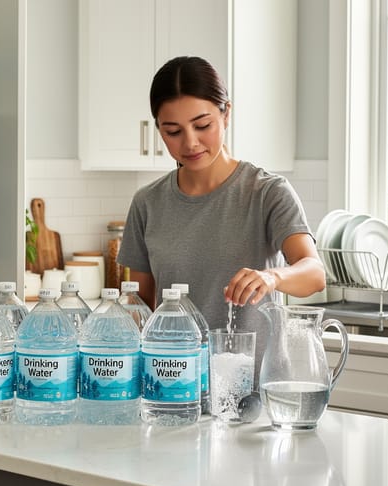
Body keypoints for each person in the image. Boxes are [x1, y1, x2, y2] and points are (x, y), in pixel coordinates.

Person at [117, 55, 326, 341]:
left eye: (202, 125)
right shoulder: (147, 203)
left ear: (226, 114)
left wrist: (272, 277)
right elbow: (138, 308)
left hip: (251, 381)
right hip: (174, 380)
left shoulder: (267, 192)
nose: (190, 142)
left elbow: (314, 274)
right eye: (173, 131)